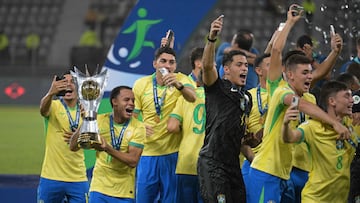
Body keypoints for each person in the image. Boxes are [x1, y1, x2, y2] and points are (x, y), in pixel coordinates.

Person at [197, 16, 253, 203]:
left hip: (233, 165)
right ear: (226, 69)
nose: (244, 68)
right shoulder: (217, 87)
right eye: (239, 65)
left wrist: (250, 141)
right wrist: (212, 38)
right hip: (213, 163)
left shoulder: (247, 98)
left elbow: (240, 132)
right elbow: (206, 66)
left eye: (246, 65)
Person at [133, 45, 196, 203]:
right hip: (147, 154)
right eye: (163, 61)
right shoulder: (141, 84)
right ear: (155, 64)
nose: (167, 65)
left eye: (171, 62)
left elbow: (192, 97)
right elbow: (132, 118)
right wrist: (140, 126)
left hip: (172, 154)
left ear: (175, 66)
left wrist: (178, 85)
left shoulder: (181, 79)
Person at [282, 80, 357, 202]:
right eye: (346, 96)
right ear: (332, 101)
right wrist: (285, 124)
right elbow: (289, 138)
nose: (352, 100)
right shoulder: (312, 127)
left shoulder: (350, 126)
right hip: (315, 199)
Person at [70, 86, 145, 203]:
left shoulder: (138, 127)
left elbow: (133, 161)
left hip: (124, 192)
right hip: (99, 188)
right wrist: (86, 122)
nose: (131, 104)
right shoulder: (99, 121)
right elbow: (73, 146)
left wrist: (107, 148)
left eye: (133, 100)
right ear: (114, 102)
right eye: (126, 100)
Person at [38, 69, 88, 203]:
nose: (68, 85)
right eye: (65, 82)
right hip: (51, 177)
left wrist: (80, 133)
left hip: (77, 178)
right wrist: (50, 94)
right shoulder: (53, 106)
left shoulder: (86, 110)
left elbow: (92, 141)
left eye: (72, 82)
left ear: (79, 88)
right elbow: (43, 110)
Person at [167, 47, 205, 203]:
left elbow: (172, 127)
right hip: (210, 165)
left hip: (186, 162)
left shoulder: (185, 97)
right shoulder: (221, 98)